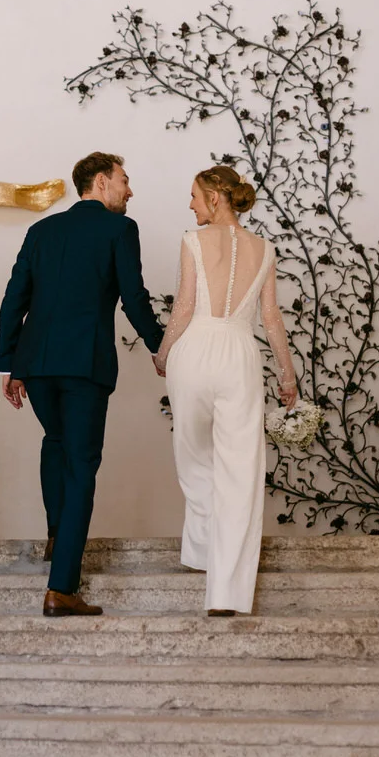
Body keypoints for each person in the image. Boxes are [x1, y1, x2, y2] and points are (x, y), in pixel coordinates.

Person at [0, 152, 165, 617]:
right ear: (101, 182)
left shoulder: (41, 231)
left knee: (56, 442)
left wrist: (6, 364)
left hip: (36, 362)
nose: (130, 191)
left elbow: (15, 297)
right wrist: (160, 345)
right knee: (81, 466)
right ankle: (62, 588)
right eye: (125, 181)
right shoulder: (119, 230)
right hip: (84, 364)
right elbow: (133, 297)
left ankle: (57, 536)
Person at [153, 165, 298, 616]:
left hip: (194, 351)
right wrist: (287, 374)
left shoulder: (193, 241)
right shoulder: (266, 248)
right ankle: (226, 594)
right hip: (240, 354)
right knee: (240, 472)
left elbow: (184, 308)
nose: (191, 204)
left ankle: (202, 549)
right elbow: (271, 318)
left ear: (215, 198)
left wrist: (162, 353)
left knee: (194, 457)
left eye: (194, 195)